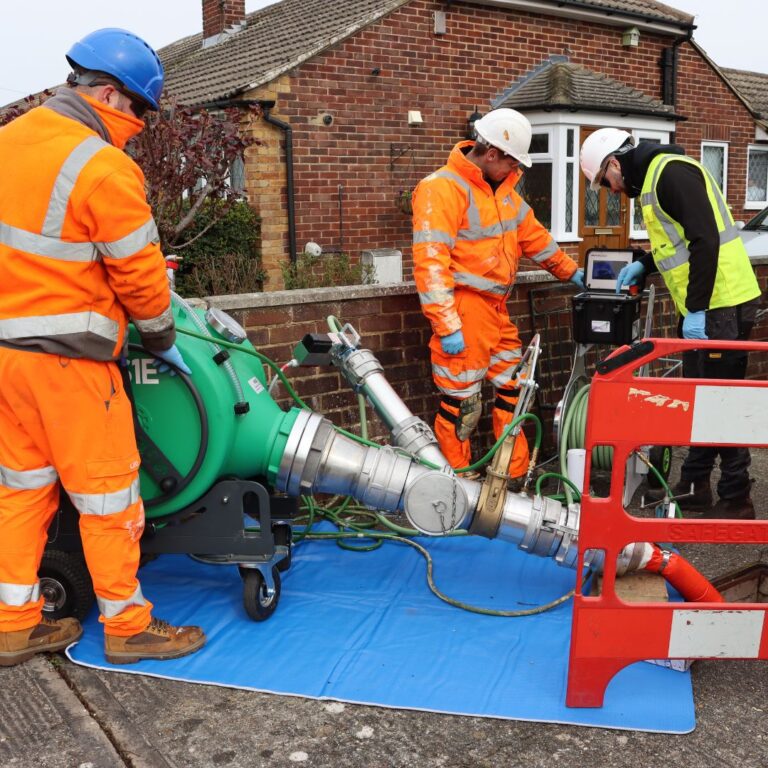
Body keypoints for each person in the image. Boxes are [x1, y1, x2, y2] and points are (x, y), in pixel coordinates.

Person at [0, 28, 205, 666]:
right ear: (110, 95)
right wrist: (161, 333)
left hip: (8, 361)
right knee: (109, 496)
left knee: (21, 491)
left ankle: (13, 623)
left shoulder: (6, 143)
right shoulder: (100, 163)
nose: (139, 127)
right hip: (72, 364)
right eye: (140, 112)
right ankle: (127, 626)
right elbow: (139, 274)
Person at [580, 128, 762, 520]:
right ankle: (695, 485)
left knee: (722, 402)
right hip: (710, 306)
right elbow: (678, 244)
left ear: (615, 163)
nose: (610, 191)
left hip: (721, 304)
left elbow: (705, 240)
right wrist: (644, 265)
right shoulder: (653, 179)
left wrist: (696, 311)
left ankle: (736, 498)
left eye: (605, 182)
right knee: (702, 398)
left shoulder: (669, 173)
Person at [412, 108, 584, 476]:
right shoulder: (441, 188)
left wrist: (574, 273)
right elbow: (430, 260)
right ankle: (457, 478)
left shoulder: (505, 194)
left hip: (495, 309)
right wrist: (447, 324)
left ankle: (512, 473)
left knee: (515, 390)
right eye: (512, 163)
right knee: (461, 401)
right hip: (465, 309)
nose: (516, 172)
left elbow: (535, 239)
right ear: (492, 154)